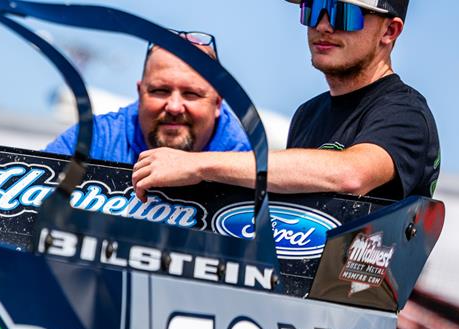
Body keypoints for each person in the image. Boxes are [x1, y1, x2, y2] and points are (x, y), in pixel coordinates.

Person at [132, 0, 440, 202]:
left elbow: (352, 173)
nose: (322, 25)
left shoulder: (405, 113)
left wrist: (197, 165)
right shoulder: (309, 113)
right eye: (313, 9)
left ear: (389, 30)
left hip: (355, 301)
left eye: (343, 14)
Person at [45, 32, 251, 163]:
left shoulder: (243, 157)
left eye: (191, 94)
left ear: (217, 102)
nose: (174, 106)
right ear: (140, 92)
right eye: (160, 90)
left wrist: (201, 167)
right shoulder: (94, 140)